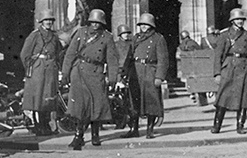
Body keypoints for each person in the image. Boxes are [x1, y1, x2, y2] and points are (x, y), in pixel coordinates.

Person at [59, 9, 121, 150]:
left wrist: (112, 78)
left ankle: (95, 135)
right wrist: (65, 73)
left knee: (97, 105)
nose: (95, 25)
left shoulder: (107, 37)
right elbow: (70, 54)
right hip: (79, 72)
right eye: (92, 22)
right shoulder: (81, 33)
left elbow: (112, 59)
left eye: (97, 23)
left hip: (97, 73)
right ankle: (78, 136)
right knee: (80, 106)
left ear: (102, 23)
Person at [211, 8, 247, 135]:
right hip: (229, 68)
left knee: (244, 98)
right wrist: (217, 73)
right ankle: (217, 125)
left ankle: (240, 125)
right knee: (223, 97)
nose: (240, 21)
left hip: (245, 67)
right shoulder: (224, 35)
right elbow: (218, 56)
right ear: (232, 21)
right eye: (238, 19)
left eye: (242, 19)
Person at [20, 9, 63, 136]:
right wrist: (31, 68)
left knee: (48, 99)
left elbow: (59, 52)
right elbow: (25, 54)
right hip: (38, 70)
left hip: (51, 70)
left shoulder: (54, 36)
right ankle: (38, 126)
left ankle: (47, 126)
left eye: (50, 20)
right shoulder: (35, 35)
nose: (49, 22)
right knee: (37, 99)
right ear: (41, 22)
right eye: (46, 20)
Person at [129, 13, 170, 138]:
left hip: (150, 72)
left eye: (146, 25)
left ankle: (149, 130)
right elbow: (129, 56)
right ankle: (134, 129)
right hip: (136, 71)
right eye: (141, 24)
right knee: (134, 101)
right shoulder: (136, 38)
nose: (143, 27)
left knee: (151, 102)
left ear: (151, 25)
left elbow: (163, 60)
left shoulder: (158, 39)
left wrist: (159, 77)